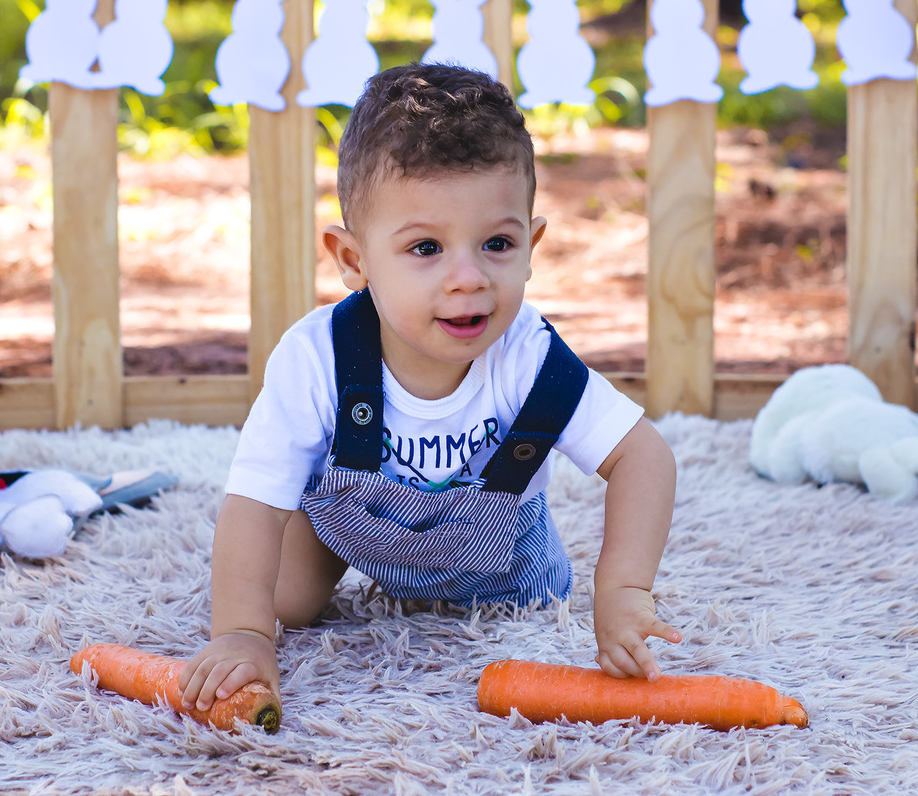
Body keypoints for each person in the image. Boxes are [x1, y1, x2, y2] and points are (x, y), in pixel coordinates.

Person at [178, 62, 679, 714]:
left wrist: (623, 591)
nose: (468, 278)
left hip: (504, 567)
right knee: (280, 599)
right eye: (426, 249)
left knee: (531, 602)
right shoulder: (317, 359)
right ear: (354, 261)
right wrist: (241, 634)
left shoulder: (528, 358)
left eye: (497, 242)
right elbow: (256, 500)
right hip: (355, 535)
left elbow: (644, 456)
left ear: (532, 247)